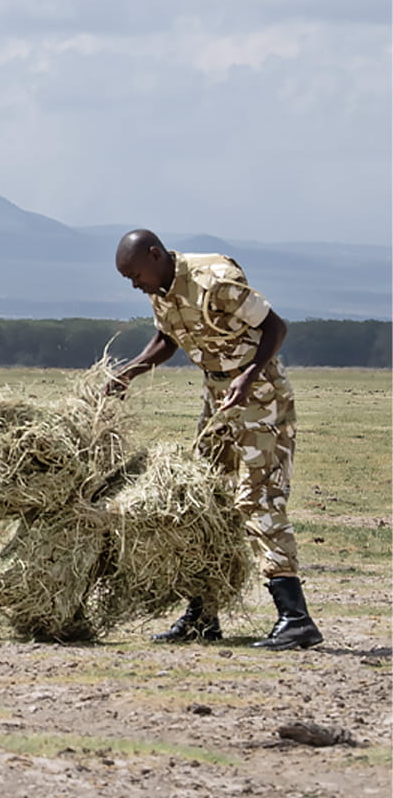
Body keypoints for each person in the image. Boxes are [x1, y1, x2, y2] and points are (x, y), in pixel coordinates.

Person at [108, 229, 321, 649]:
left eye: (136, 275)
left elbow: (275, 327)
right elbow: (167, 339)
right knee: (202, 500)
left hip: (261, 399)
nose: (136, 285)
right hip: (218, 400)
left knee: (257, 500)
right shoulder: (162, 290)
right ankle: (203, 616)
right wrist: (128, 371)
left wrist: (249, 374)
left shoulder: (215, 278)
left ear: (155, 255)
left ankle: (296, 619)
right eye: (129, 279)